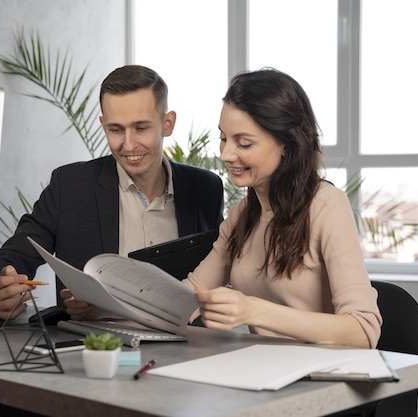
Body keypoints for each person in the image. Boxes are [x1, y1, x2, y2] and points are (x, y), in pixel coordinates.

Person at [65, 68, 381, 350]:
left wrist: (253, 310)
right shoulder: (243, 215)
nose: (227, 154)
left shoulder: (326, 205)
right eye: (223, 138)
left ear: (285, 143)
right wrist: (100, 307)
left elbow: (363, 330)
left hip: (318, 382)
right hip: (260, 373)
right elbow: (184, 299)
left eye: (243, 143)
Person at [0, 65, 224, 320]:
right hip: (96, 351)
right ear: (103, 125)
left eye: (141, 128)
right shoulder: (70, 186)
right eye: (115, 129)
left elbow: (221, 275)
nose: (129, 144)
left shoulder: (205, 189)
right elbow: (10, 258)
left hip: (187, 350)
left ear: (167, 124)